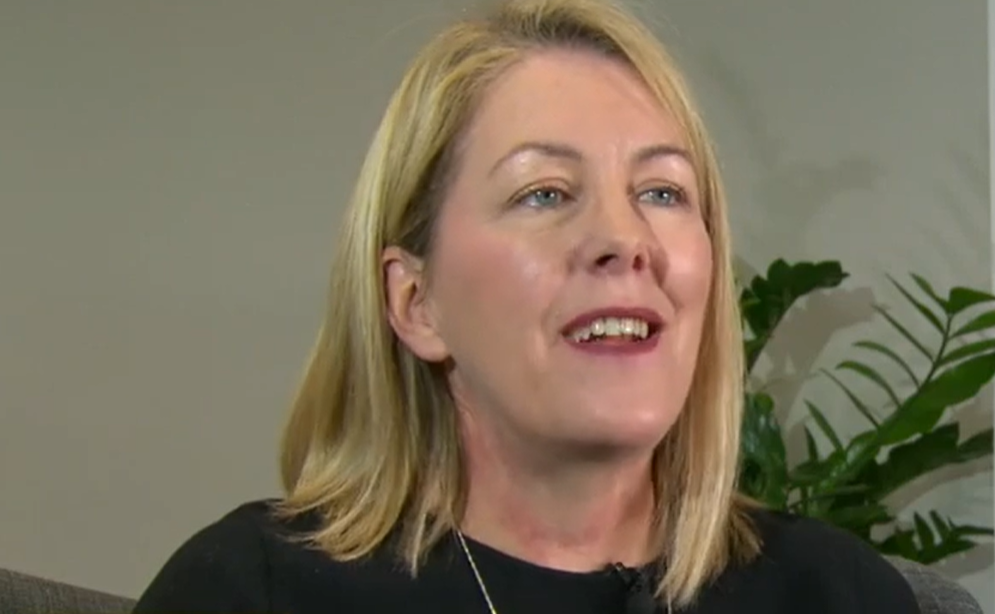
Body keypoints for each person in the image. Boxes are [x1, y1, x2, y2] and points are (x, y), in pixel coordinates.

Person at [132, 0, 922, 612]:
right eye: (543, 192)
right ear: (416, 303)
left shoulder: (838, 593)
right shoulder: (251, 589)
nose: (624, 238)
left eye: (661, 192)